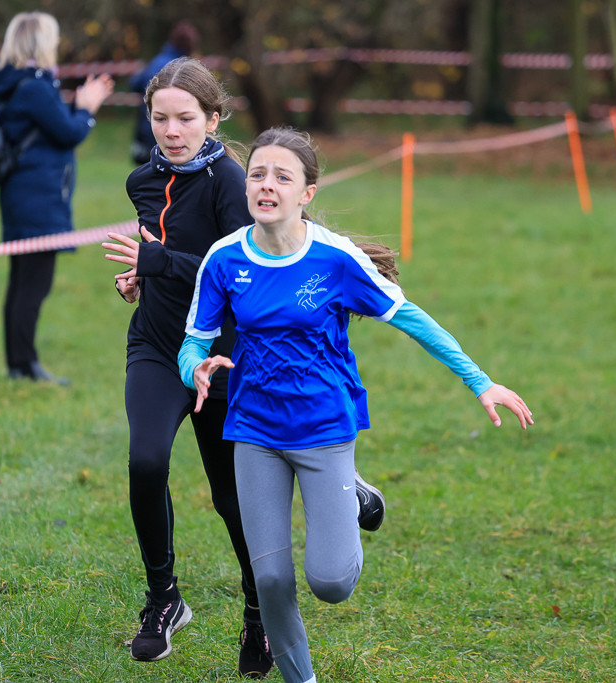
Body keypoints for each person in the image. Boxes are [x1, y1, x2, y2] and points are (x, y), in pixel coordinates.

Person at [178, 127, 534, 683]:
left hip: (324, 427)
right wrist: (193, 367)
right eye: (257, 175)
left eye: (282, 177)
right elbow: (195, 339)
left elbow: (410, 317)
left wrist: (480, 382)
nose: (266, 185)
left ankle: (356, 491)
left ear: (307, 193)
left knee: (331, 582)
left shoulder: (335, 258)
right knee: (269, 581)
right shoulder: (224, 259)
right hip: (253, 429)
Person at [103, 58, 375, 678]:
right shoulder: (139, 182)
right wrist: (137, 278)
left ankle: (258, 611)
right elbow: (165, 263)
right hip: (156, 345)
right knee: (145, 460)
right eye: (160, 118)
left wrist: (157, 262)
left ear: (213, 119)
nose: (172, 130)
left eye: (186, 118)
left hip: (226, 354)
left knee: (233, 501)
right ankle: (163, 599)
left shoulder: (234, 181)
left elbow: (224, 268)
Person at [0, 11, 113, 385]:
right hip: (37, 199)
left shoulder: (17, 84)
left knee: (22, 281)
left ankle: (19, 364)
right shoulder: (34, 88)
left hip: (23, 195)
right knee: (33, 284)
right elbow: (68, 132)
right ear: (41, 44)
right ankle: (26, 366)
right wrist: (87, 108)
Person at [127, 20, 199, 165]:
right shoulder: (184, 68)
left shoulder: (157, 61)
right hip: (171, 132)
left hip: (148, 123)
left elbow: (135, 84)